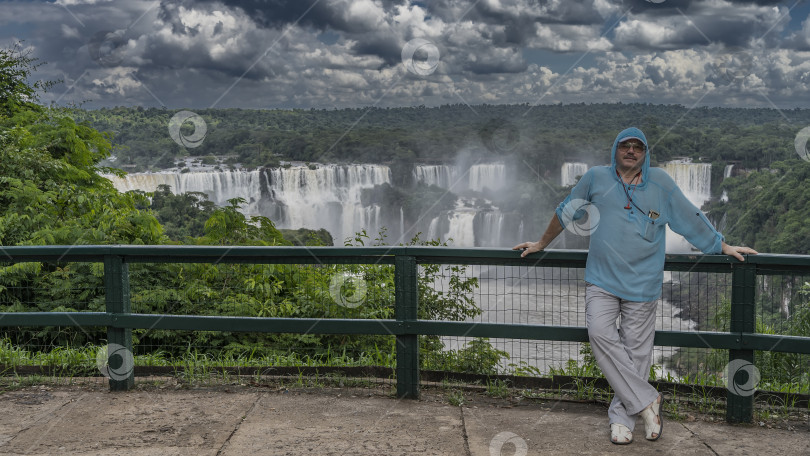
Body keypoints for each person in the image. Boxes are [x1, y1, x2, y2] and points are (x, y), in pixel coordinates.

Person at [512, 127, 757, 445]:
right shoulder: (596, 178)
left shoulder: (661, 184)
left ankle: (622, 422)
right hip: (602, 278)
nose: (630, 151)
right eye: (624, 146)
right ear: (615, 150)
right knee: (599, 332)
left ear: (645, 152)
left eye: (637, 146)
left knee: (636, 353)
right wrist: (542, 242)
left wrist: (719, 245)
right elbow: (566, 211)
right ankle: (647, 402)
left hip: (643, 282)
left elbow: (689, 217)